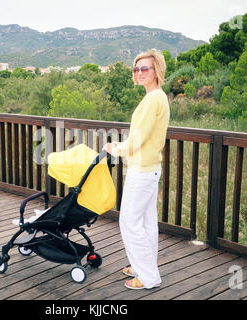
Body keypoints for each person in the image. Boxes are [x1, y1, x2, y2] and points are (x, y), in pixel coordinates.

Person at [103, 49, 170, 290]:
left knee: (129, 222)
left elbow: (137, 138)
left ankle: (149, 276)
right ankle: (143, 266)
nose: (139, 72)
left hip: (142, 170)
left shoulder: (153, 99)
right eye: (136, 68)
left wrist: (115, 148)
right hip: (150, 168)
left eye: (145, 68)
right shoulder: (158, 96)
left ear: (156, 71)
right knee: (146, 222)